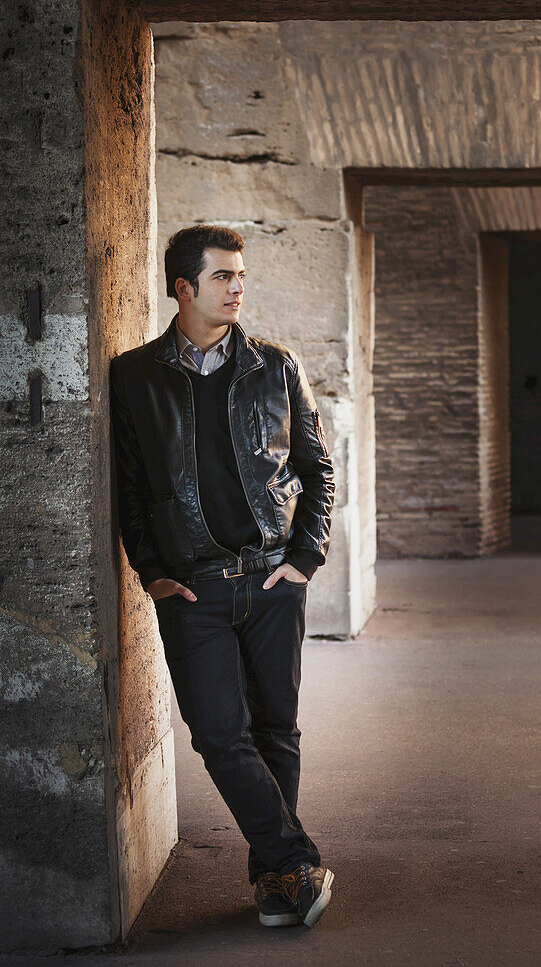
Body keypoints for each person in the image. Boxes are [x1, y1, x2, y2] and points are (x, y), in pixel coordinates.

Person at [109, 224, 336, 929]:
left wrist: (305, 558)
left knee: (277, 730)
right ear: (183, 288)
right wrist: (151, 572)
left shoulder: (276, 365)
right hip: (193, 588)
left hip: (272, 579)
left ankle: (274, 880)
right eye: (222, 277)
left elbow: (316, 469)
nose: (238, 288)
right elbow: (132, 485)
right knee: (217, 733)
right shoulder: (136, 375)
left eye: (241, 276)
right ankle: (295, 860)